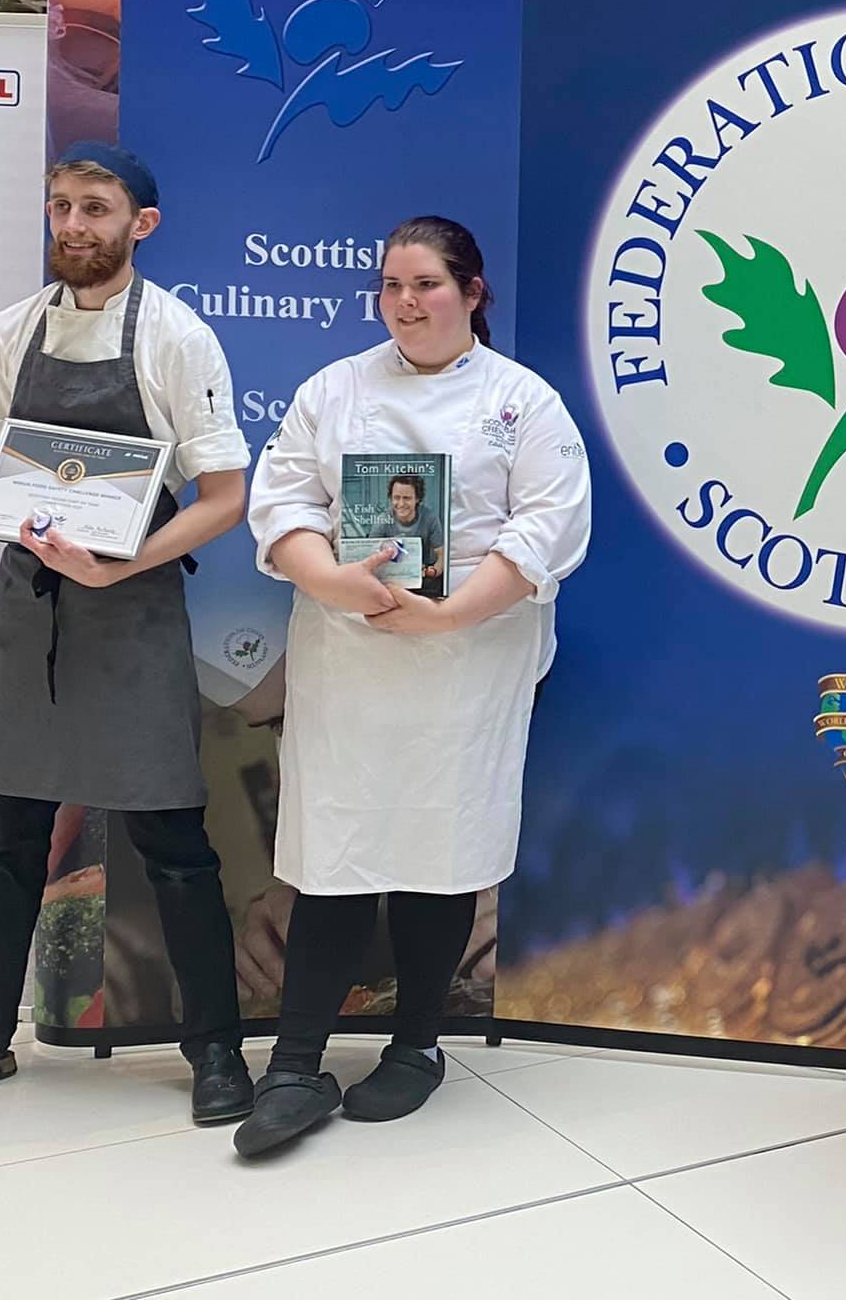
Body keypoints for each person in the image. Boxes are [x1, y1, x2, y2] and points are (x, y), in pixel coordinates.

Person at [0, 143, 254, 1122]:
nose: (74, 226)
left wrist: (124, 559)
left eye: (96, 208)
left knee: (173, 840)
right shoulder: (10, 331)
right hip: (28, 609)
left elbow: (224, 497)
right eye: (61, 208)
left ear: (143, 225)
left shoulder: (175, 337)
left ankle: (216, 1055)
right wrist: (35, 527)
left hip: (132, 613)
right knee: (8, 837)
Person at [236, 216, 590, 1158]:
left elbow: (546, 528)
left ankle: (417, 1046)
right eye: (392, 284)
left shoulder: (524, 403)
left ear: (473, 292)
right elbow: (280, 501)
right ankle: (296, 1063)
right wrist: (327, 577)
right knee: (332, 855)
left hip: (468, 665)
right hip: (349, 661)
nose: (406, 301)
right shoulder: (335, 390)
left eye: (427, 283)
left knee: (442, 849)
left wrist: (452, 613)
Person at [368, 473, 444, 594]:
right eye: (396, 498)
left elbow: (442, 554)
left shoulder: (430, 518)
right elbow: (370, 555)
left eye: (407, 498)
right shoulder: (382, 520)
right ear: (391, 498)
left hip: (421, 576)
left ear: (417, 499)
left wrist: (433, 571)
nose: (401, 504)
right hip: (389, 578)